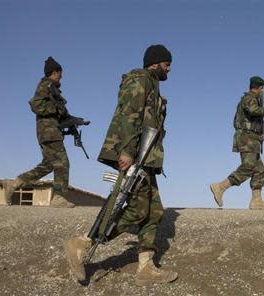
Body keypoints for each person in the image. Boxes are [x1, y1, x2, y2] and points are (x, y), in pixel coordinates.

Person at [64, 45, 178, 286]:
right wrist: (126, 151)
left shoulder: (153, 85)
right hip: (134, 154)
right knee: (137, 210)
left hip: (146, 157)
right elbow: (129, 114)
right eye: (167, 63)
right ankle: (82, 243)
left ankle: (146, 266)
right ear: (155, 63)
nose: (170, 67)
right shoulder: (140, 79)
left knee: (154, 211)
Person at [3, 57, 75, 208]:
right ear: (55, 72)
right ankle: (58, 198)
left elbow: (58, 111)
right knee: (62, 163)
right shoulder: (46, 85)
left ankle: (15, 183)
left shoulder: (52, 88)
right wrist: (56, 110)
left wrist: (73, 121)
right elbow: (36, 105)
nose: (61, 76)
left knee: (49, 164)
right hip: (49, 132)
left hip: (49, 132)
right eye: (60, 73)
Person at [210, 76, 264, 210]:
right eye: (262, 89)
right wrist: (263, 109)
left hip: (252, 138)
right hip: (247, 138)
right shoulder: (250, 98)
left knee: (259, 169)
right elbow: (253, 110)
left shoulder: (252, 98)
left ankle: (257, 201)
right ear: (259, 88)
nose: (263, 91)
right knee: (249, 166)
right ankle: (220, 187)